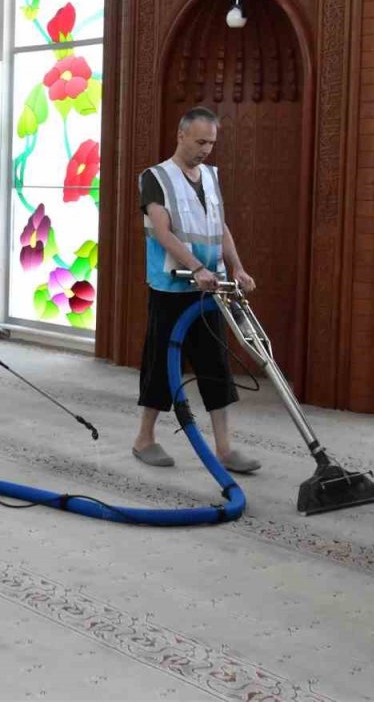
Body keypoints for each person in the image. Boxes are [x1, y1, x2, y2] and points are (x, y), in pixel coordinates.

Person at [133, 106, 261, 475]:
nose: (206, 149)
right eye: (201, 141)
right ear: (181, 135)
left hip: (211, 287)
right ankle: (144, 438)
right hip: (172, 287)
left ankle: (224, 449)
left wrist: (236, 267)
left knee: (215, 365)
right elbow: (162, 231)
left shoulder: (209, 177)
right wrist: (197, 266)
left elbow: (220, 226)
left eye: (211, 143)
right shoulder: (156, 177)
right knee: (162, 364)